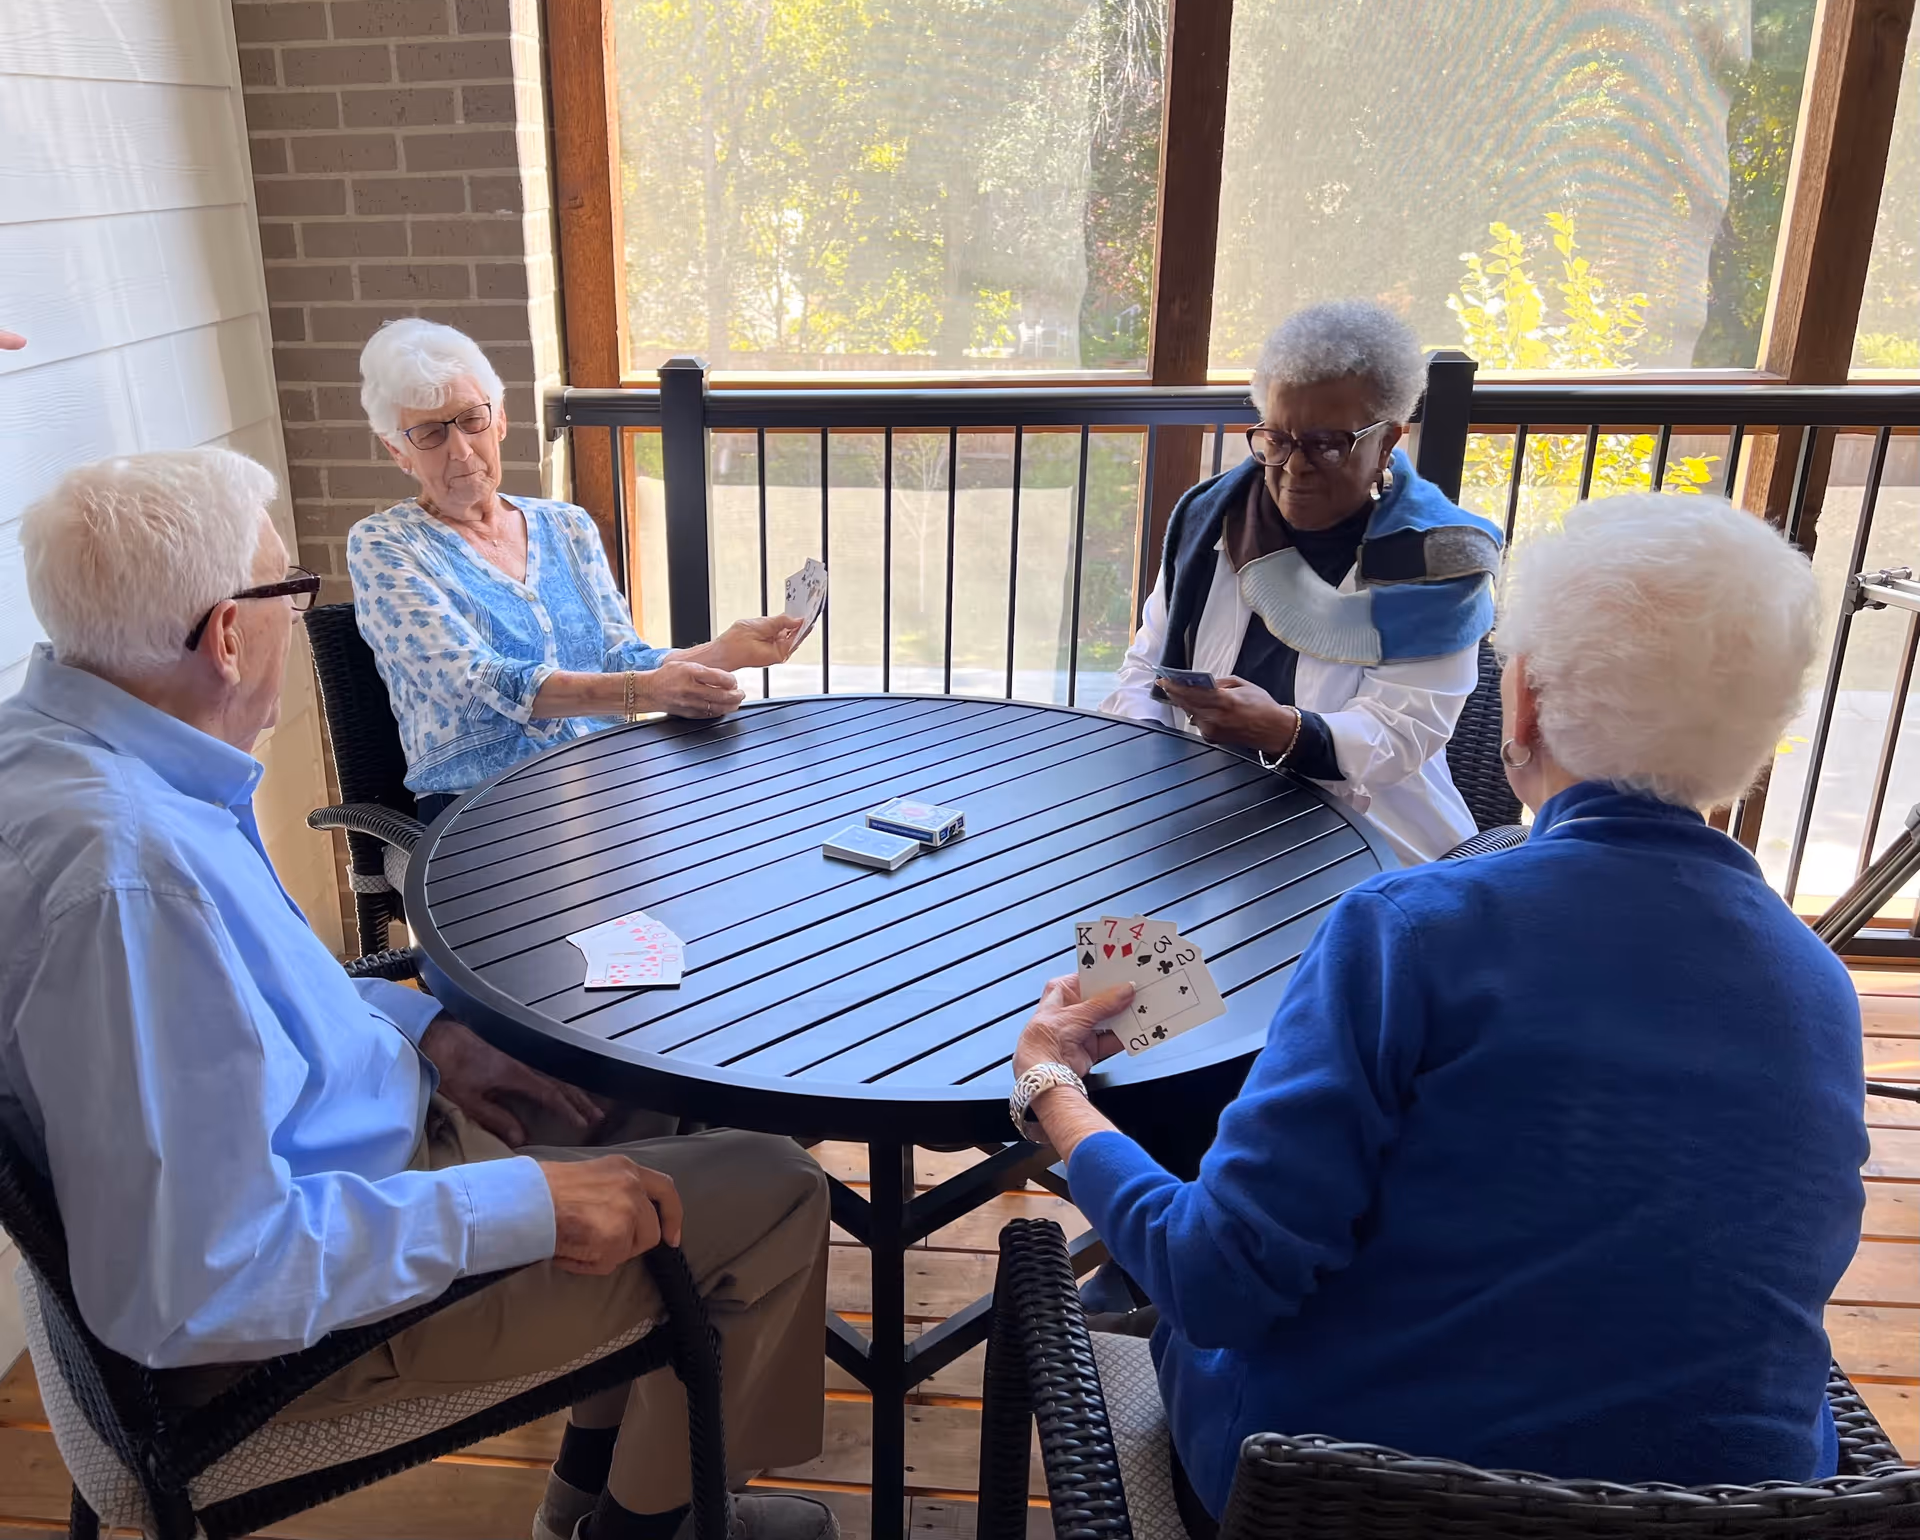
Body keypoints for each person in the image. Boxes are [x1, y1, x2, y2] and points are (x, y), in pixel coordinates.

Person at [0, 449, 836, 1540]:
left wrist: (431, 1030)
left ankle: (593, 1496)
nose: (300, 617)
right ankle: (647, 1526)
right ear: (227, 634)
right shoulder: (128, 878)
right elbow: (200, 1280)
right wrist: (529, 1200)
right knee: (775, 1187)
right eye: (287, 591)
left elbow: (258, 1018)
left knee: (634, 1091)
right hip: (290, 1321)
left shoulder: (86, 757)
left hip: (344, 1157)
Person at [1014, 492, 1866, 1533]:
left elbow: (1217, 1280)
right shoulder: (1818, 983)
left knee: (1187, 1307)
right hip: (1734, 1509)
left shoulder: (1411, 929)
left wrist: (1053, 1085)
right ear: (1762, 739)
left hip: (1351, 1496)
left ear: (1522, 704)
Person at [348, 319, 803, 820]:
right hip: (479, 808)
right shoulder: (384, 545)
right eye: (429, 433)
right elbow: (470, 681)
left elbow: (617, 656)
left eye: (470, 420)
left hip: (605, 779)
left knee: (754, 816)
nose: (460, 449)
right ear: (399, 452)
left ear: (499, 419)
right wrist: (648, 690)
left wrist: (718, 653)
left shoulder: (567, 525)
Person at [1102, 300, 1502, 868]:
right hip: (1207, 817)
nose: (1294, 468)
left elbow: (1402, 736)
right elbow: (1146, 667)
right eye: (1277, 440)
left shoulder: (1438, 560)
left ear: (1388, 441)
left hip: (1370, 842)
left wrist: (1284, 732)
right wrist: (1149, 747)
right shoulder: (1211, 518)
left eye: (1327, 444)